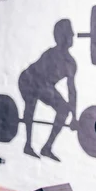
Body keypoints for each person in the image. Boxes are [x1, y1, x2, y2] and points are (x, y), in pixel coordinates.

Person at [18, 19, 78, 162]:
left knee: (64, 109)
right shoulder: (50, 54)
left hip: (45, 85)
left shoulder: (71, 64)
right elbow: (37, 78)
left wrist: (74, 117)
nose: (73, 36)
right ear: (62, 36)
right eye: (69, 34)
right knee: (31, 104)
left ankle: (47, 147)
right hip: (29, 80)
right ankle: (28, 144)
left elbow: (72, 91)